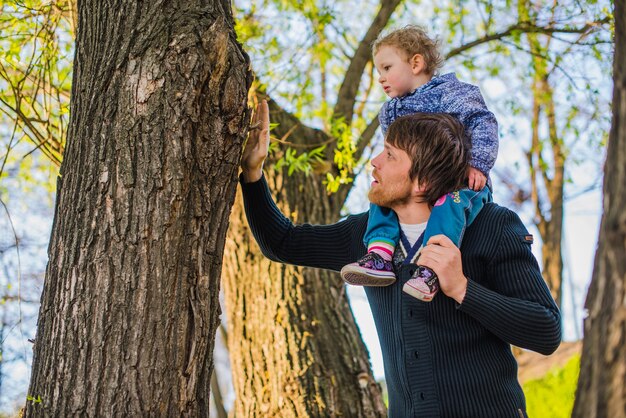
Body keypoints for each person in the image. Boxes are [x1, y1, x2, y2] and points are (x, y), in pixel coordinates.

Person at [240, 100, 561, 418]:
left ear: (423, 180)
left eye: (390, 155)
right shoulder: (366, 234)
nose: (375, 162)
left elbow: (546, 330)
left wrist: (463, 288)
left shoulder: (492, 225)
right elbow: (282, 243)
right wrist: (253, 174)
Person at [341, 25, 499, 302]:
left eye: (387, 68)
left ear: (416, 63)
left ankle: (431, 269)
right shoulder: (390, 111)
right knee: (383, 195)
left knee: (449, 204)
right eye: (379, 71)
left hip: (460, 183)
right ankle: (380, 254)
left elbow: (481, 122)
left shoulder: (452, 93)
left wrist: (477, 164)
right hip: (416, 187)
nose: (381, 78)